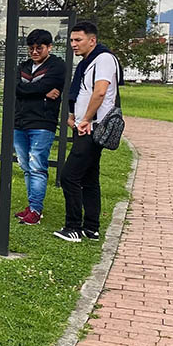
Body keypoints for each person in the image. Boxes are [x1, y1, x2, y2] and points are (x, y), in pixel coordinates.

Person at [54, 21, 121, 242]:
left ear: (92, 40)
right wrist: (74, 116)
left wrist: (86, 119)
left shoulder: (103, 59)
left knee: (69, 176)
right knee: (89, 177)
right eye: (72, 40)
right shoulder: (87, 62)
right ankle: (91, 228)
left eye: (78, 40)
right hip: (85, 125)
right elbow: (82, 92)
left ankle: (73, 226)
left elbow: (100, 92)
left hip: (92, 127)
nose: (73, 44)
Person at [13, 29, 67, 225]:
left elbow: (45, 85)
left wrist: (30, 91)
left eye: (39, 48)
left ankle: (36, 210)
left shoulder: (57, 65)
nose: (34, 52)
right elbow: (15, 88)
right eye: (31, 48)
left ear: (49, 47)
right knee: (25, 166)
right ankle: (31, 206)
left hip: (43, 123)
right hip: (19, 122)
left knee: (37, 166)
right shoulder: (23, 66)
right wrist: (42, 92)